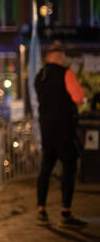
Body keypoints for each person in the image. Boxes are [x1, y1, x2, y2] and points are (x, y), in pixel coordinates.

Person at [34, 41, 87, 227]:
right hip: (64, 130)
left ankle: (41, 209)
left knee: (45, 170)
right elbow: (78, 97)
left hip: (46, 130)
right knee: (69, 169)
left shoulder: (40, 76)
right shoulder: (67, 74)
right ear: (60, 56)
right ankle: (66, 212)